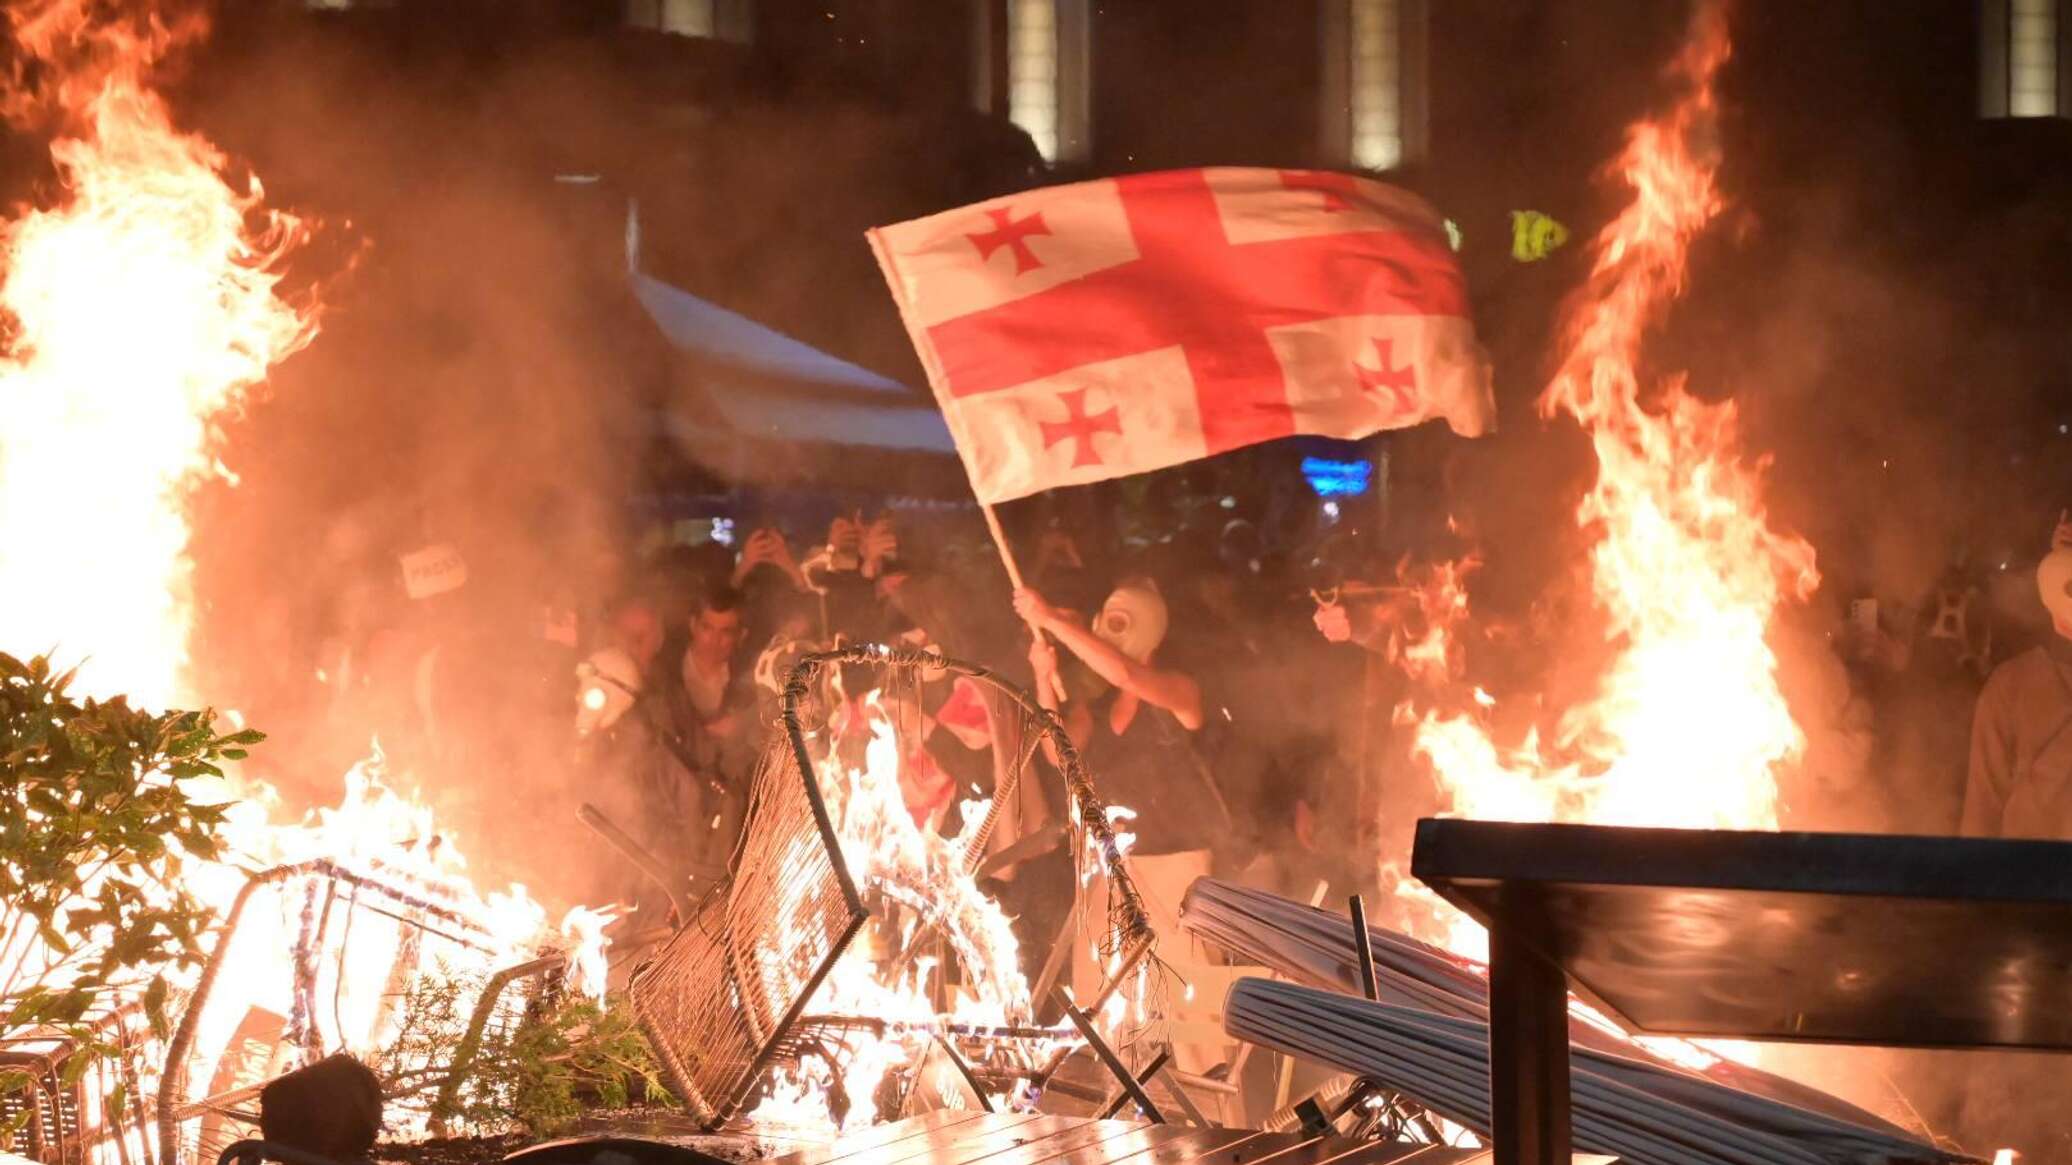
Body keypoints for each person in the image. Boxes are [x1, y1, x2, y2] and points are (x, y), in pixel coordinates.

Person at [1014, 577, 1232, 1071]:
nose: (1107, 635)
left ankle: (1216, 1106)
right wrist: (1044, 677)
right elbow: (1057, 753)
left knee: (1192, 1007)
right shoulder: (1095, 707)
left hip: (1177, 869)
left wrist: (1049, 619)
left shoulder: (1180, 691)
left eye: (1119, 624)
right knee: (1104, 997)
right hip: (1111, 867)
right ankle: (1120, 1099)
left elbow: (1127, 674)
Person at [1951, 515, 2072, 1161]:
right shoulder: (2013, 689)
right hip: (2025, 934)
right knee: (2013, 1117)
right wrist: (1981, 936)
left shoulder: (2011, 688)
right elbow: (1981, 828)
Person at [648, 585, 758, 873]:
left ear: (741, 636)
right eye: (707, 628)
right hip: (669, 808)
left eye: (726, 632)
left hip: (724, 812)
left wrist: (742, 726)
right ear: (693, 625)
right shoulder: (663, 673)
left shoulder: (750, 684)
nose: (714, 640)